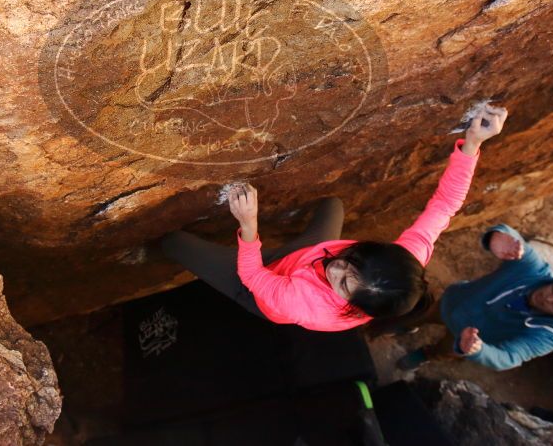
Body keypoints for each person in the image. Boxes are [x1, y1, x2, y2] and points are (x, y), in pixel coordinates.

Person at [161, 105, 508, 332]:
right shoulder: (405, 263)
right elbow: (445, 205)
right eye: (353, 263)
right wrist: (473, 144)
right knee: (333, 205)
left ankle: (155, 247)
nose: (337, 271)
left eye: (344, 284)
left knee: (174, 242)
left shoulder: (304, 305)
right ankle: (308, 235)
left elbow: (252, 275)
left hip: (260, 286)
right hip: (312, 254)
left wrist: (249, 225)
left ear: (354, 305)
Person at [397, 224, 553, 370]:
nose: (549, 299)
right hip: (453, 302)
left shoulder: (548, 337)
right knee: (423, 314)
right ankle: (408, 325)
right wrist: (498, 237)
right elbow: (513, 239)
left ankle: (426, 355)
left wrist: (478, 350)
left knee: (445, 350)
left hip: (466, 338)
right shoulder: (533, 270)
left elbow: (510, 357)